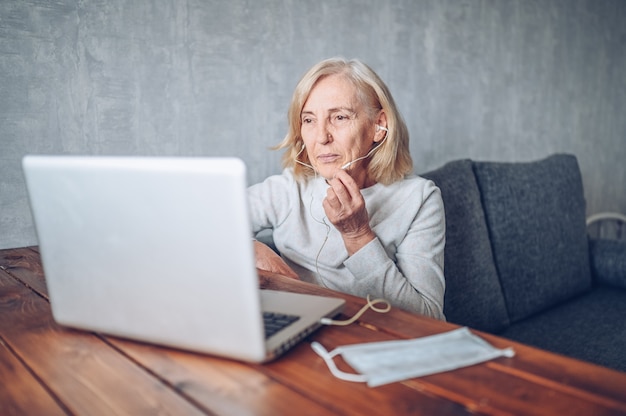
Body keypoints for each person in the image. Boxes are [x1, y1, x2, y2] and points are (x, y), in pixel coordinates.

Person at [248, 58, 445, 319]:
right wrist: (252, 248)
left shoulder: (420, 199)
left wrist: (358, 236)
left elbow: (429, 317)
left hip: (370, 339)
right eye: (309, 120)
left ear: (379, 126)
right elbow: (194, 225)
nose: (321, 138)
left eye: (339, 117)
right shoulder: (288, 188)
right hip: (295, 332)